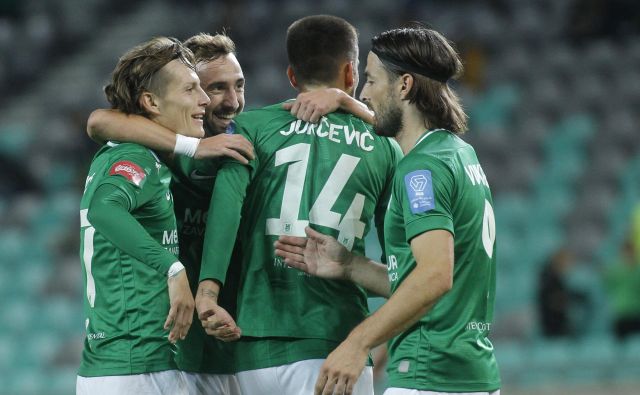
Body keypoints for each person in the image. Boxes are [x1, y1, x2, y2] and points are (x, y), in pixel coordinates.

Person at [276, 26, 501, 395]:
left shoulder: (422, 170)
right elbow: (434, 278)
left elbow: (434, 277)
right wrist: (351, 265)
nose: (363, 92)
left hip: (429, 373)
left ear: (404, 86)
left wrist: (357, 343)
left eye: (371, 79)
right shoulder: (459, 154)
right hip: (470, 374)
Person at [195, 15, 401, 395]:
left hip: (254, 344)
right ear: (351, 72)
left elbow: (225, 214)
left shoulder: (251, 128)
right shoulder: (387, 146)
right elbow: (402, 271)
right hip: (336, 345)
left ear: (291, 76)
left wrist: (207, 291)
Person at [86, 33, 251, 394]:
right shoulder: (143, 156)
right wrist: (175, 270)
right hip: (146, 357)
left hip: (213, 351)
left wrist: (345, 101)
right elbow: (100, 122)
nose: (224, 101)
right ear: (153, 101)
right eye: (202, 89)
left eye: (239, 85)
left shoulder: (246, 142)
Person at [77, 37, 208, 395]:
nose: (205, 100)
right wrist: (173, 268)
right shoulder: (135, 158)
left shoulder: (138, 154)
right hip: (135, 367)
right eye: (191, 89)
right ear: (150, 102)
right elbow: (103, 209)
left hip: (132, 363)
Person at [604, 237, 640, 339]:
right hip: (620, 312)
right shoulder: (615, 270)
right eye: (626, 253)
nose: (628, 256)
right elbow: (607, 288)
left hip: (636, 312)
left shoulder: (638, 271)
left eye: (630, 253)